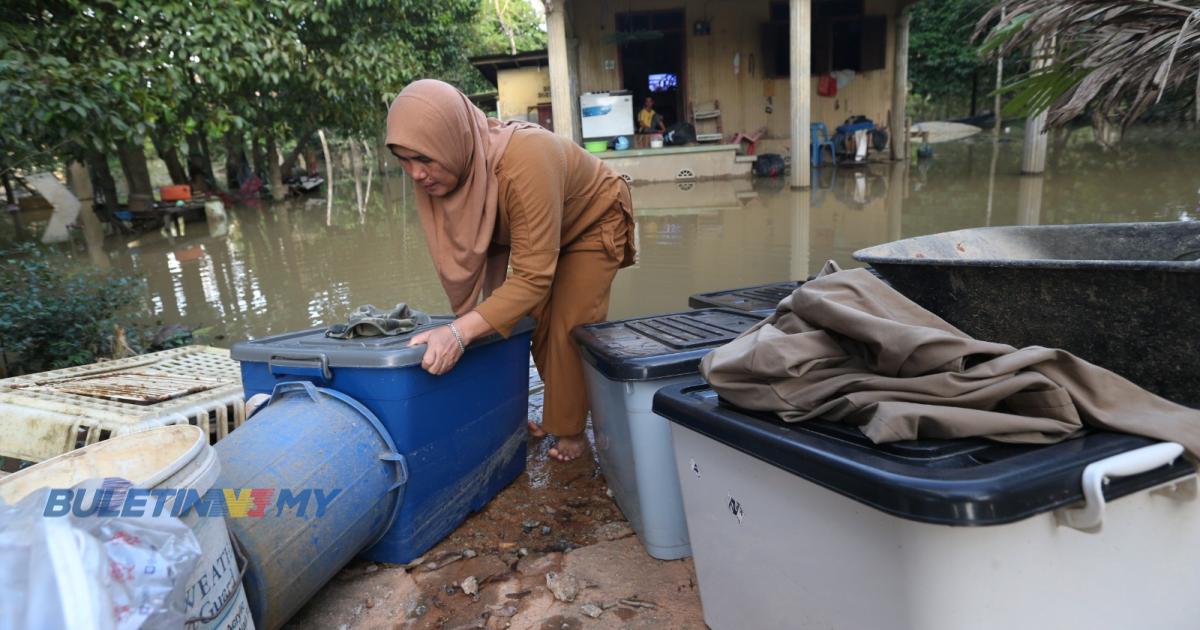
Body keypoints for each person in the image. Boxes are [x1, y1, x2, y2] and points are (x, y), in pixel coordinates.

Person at [386, 80, 637, 462]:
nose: (416, 174)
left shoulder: (524, 161)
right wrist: (473, 323)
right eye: (405, 161)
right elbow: (509, 281)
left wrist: (458, 332)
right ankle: (556, 412)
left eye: (424, 159)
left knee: (568, 326)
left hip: (591, 218)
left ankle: (570, 433)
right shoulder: (460, 169)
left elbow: (533, 279)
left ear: (452, 139)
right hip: (539, 230)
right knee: (529, 321)